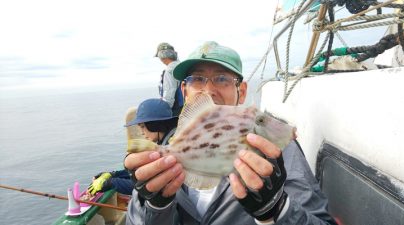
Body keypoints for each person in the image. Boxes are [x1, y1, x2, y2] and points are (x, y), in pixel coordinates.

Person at [124, 41, 337, 225]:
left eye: (222, 79)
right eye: (197, 79)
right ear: (184, 91)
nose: (208, 90)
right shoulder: (164, 154)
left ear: (241, 92)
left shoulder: (279, 151)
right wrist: (154, 206)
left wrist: (277, 209)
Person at [88, 99, 178, 196]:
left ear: (155, 125)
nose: (142, 132)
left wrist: (111, 183)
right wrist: (114, 174)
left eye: (143, 126)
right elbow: (141, 172)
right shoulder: (168, 140)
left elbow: (146, 186)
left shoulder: (170, 148)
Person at [155, 42, 184, 116]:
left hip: (177, 111)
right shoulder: (182, 66)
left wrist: (164, 111)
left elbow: (169, 94)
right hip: (187, 108)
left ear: (162, 56)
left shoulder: (169, 71)